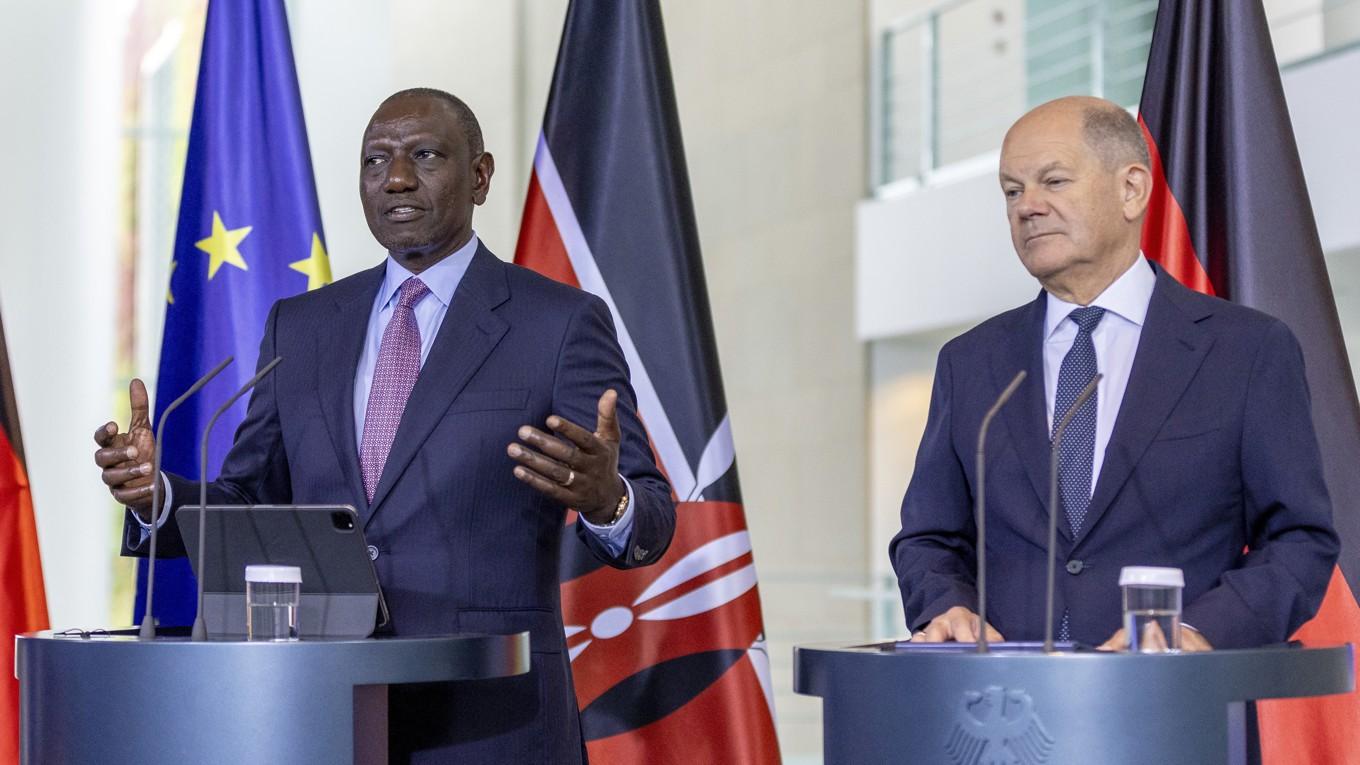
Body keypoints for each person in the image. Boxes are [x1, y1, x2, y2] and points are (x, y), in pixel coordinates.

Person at [93, 87, 676, 763]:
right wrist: (155, 495)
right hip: (319, 714)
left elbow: (652, 517)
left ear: (481, 176)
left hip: (490, 719)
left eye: (423, 155)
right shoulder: (302, 326)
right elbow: (247, 502)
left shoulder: (558, 323)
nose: (395, 178)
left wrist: (610, 499)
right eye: (375, 161)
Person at [889, 96, 1339, 651]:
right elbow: (929, 537)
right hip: (1005, 711)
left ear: (1131, 189)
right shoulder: (971, 362)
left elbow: (1299, 539)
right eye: (1012, 190)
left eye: (1053, 181)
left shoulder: (1245, 351)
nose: (1027, 206)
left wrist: (1198, 632)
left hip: (1176, 705)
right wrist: (947, 605)